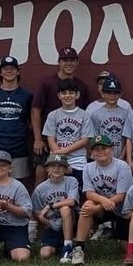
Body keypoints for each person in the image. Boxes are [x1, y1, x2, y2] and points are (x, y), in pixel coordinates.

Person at [30, 47, 92, 184]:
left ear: (77, 63)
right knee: (42, 169)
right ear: (59, 62)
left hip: (74, 143)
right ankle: (39, 201)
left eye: (72, 60)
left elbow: (84, 115)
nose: (68, 63)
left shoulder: (81, 86)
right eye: (65, 60)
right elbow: (36, 110)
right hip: (50, 137)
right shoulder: (46, 82)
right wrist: (38, 138)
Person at [71, 135, 133, 265]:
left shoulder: (122, 166)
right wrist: (102, 201)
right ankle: (79, 248)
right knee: (87, 205)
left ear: (111, 149)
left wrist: (99, 206)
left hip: (122, 209)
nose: (100, 151)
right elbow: (89, 193)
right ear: (91, 152)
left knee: (132, 249)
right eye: (96, 149)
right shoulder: (88, 167)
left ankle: (123, 237)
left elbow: (121, 196)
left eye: (104, 148)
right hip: (102, 206)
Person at [0, 55, 34, 182]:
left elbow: (30, 121)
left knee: (18, 183)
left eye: (12, 68)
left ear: (18, 71)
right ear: (0, 72)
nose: (9, 71)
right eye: (5, 68)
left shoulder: (27, 95)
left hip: (18, 146)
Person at [41, 79, 93, 187]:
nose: (67, 96)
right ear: (59, 95)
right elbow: (50, 139)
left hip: (78, 160)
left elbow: (85, 139)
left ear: (77, 95)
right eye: (64, 93)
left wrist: (64, 151)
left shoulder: (84, 115)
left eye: (71, 92)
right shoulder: (53, 115)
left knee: (77, 192)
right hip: (57, 160)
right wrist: (62, 160)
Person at [31, 153, 80, 262]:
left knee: (65, 208)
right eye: (53, 166)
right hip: (52, 224)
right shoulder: (41, 188)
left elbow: (72, 201)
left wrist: (50, 205)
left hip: (71, 221)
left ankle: (68, 245)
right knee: (45, 254)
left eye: (60, 166)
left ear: (66, 169)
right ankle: (59, 245)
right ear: (47, 168)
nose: (56, 169)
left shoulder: (71, 181)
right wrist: (41, 218)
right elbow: (36, 211)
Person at [87, 77, 132, 165]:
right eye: (108, 93)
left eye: (115, 93)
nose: (112, 96)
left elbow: (127, 138)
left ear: (120, 94)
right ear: (103, 94)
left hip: (120, 156)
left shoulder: (126, 113)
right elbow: (95, 138)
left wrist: (122, 156)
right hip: (102, 157)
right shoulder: (96, 114)